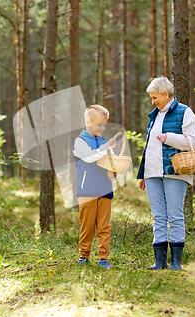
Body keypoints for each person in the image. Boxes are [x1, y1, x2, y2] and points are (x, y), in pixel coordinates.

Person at [137, 76, 195, 271]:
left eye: (155, 97)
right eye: (151, 98)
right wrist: (143, 174)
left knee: (174, 215)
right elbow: (149, 146)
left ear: (166, 94)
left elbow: (194, 143)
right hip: (152, 173)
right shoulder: (154, 115)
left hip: (175, 172)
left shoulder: (185, 112)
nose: (153, 101)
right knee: (158, 216)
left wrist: (169, 138)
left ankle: (176, 262)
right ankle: (159, 261)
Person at [73, 105, 121, 269]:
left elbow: (111, 162)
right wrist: (107, 146)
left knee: (104, 226)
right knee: (87, 225)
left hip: (105, 189)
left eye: (104, 125)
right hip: (87, 189)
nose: (102, 128)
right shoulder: (80, 141)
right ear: (88, 121)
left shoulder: (103, 141)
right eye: (99, 124)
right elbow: (89, 157)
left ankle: (103, 257)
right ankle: (84, 255)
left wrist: (114, 168)